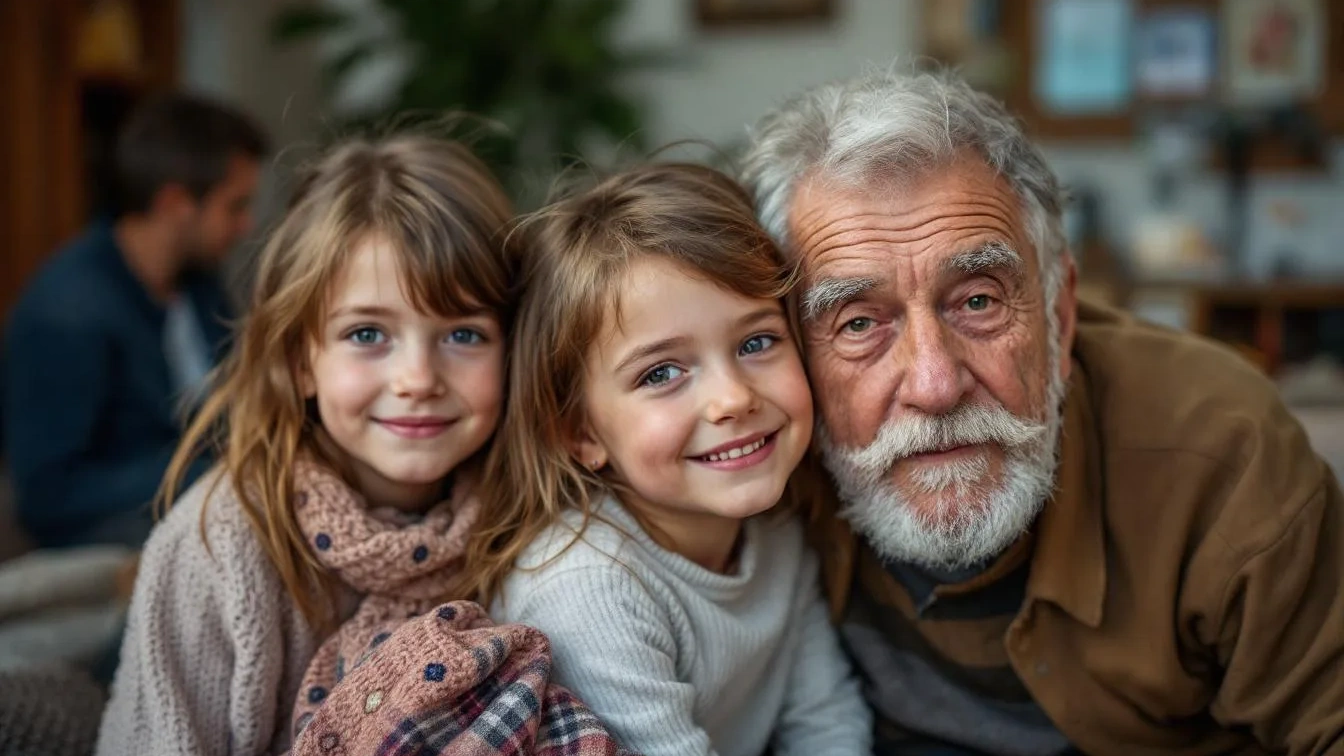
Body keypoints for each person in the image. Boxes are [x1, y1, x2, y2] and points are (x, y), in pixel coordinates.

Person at [739, 66, 1344, 754]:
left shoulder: (1222, 451)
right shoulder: (749, 460)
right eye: (857, 324)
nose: (935, 386)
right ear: (790, 354)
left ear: (1059, 319)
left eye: (978, 301)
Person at [96, 133, 516, 756]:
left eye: (463, 334)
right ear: (300, 360)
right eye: (368, 332)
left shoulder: (530, 525)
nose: (418, 381)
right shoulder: (218, 547)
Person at [463, 163, 872, 756]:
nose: (732, 398)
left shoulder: (776, 526)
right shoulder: (589, 590)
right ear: (580, 432)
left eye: (756, 342)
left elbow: (826, 720)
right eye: (661, 373)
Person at [3, 92, 268, 549]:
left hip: (204, 493)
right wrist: (212, 473)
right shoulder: (69, 312)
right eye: (234, 206)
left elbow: (229, 402)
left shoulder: (198, 283)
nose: (246, 226)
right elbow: (48, 496)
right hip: (116, 526)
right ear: (175, 202)